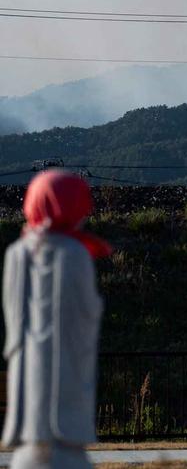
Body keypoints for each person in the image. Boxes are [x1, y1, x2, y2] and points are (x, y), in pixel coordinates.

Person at [3, 170, 110, 469]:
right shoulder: (74, 253)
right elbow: (87, 312)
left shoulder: (16, 253)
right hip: (67, 365)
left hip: (27, 363)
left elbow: (15, 320)